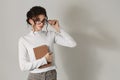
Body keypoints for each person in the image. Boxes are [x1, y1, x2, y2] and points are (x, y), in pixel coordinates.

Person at [18, 6, 76, 80]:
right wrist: (44, 60)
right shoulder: (24, 40)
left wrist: (58, 28)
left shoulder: (50, 34)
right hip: (35, 76)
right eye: (38, 20)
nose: (42, 23)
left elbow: (72, 44)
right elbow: (23, 66)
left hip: (50, 75)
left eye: (43, 20)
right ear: (31, 21)